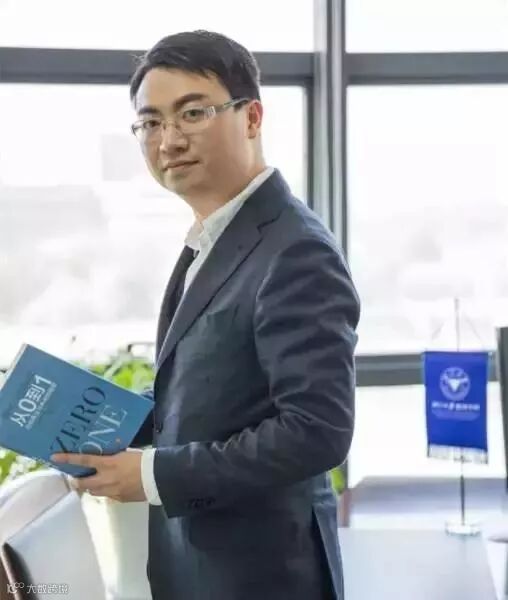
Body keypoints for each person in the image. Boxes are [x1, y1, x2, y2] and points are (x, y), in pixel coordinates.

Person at [52, 30, 360, 600]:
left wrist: (151, 475)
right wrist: (98, 429)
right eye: (150, 122)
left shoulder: (296, 249)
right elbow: (210, 396)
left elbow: (316, 432)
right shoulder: (212, 238)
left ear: (252, 117)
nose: (169, 140)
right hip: (200, 569)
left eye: (192, 113)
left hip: (262, 577)